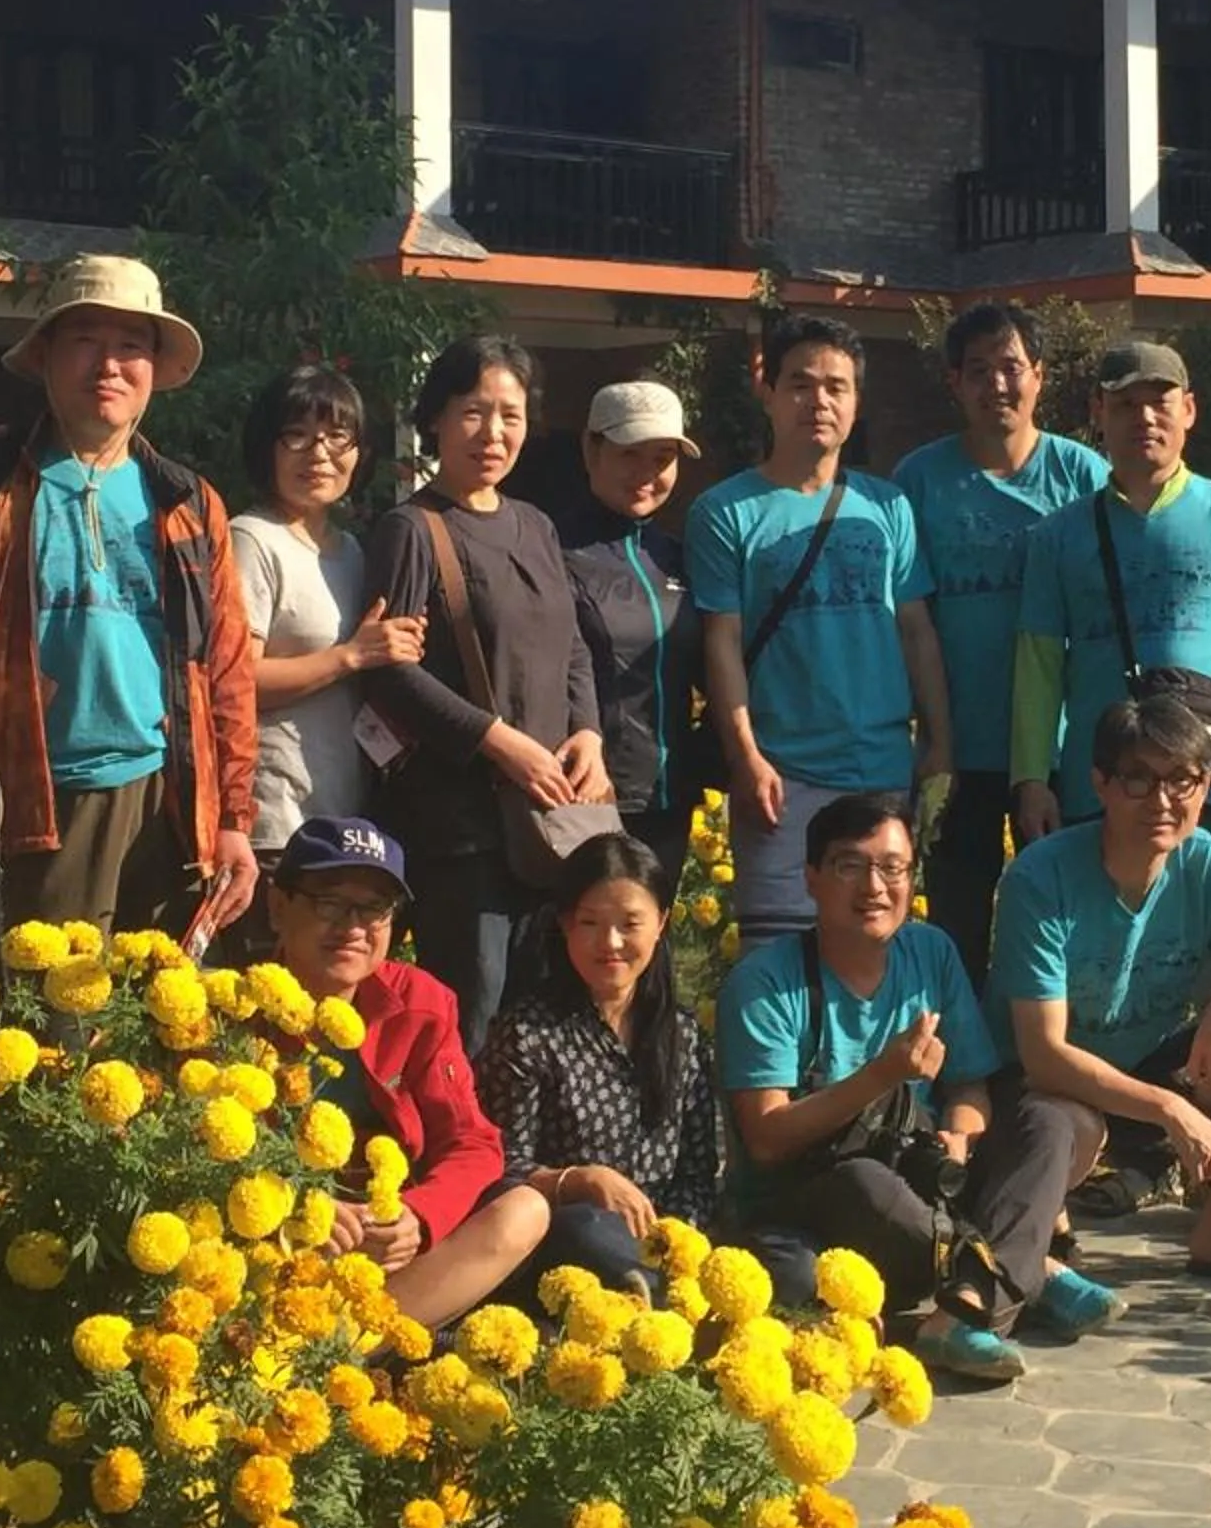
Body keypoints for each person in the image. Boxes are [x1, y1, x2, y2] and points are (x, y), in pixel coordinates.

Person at [0, 253, 256, 940]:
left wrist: (232, 821)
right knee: (51, 1026)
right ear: (45, 357)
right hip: (32, 798)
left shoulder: (190, 502)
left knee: (162, 1026)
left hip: (168, 797)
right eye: (86, 341)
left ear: (155, 369)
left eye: (131, 345)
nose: (109, 364)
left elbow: (227, 673)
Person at [715, 792, 1111, 1381]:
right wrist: (882, 1075)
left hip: (924, 1178)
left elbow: (970, 1087)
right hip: (816, 1188)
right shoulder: (766, 983)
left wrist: (959, 1135)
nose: (875, 886)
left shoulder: (930, 951)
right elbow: (767, 1141)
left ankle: (964, 1309)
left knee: (1046, 1121)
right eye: (851, 866)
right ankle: (1027, 1272)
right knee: (867, 1187)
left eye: (893, 868)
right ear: (812, 879)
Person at [985, 696, 1211, 1299]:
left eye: (1182, 780)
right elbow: (1043, 1055)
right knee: (1075, 1125)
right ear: (1100, 783)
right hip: (1046, 1087)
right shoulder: (1041, 878)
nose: (1163, 802)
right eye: (1139, 779)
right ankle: (1042, 1227)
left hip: (1146, 1064)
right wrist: (1172, 1112)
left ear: (1207, 786)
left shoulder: (1210, 864)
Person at [356, 337, 611, 1051]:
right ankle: (463, 1160)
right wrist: (498, 743)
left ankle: (526, 1161)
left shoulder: (536, 524)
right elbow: (389, 672)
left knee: (547, 1011)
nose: (493, 434)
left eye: (510, 415)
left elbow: (575, 645)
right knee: (474, 1014)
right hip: (461, 828)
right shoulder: (412, 530)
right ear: (435, 419)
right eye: (473, 413)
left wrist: (586, 732)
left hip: (551, 819)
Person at [690, 315, 952, 948]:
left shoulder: (888, 506)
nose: (819, 401)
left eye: (837, 387)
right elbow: (721, 641)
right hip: (783, 776)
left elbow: (915, 630)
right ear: (768, 389)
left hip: (881, 769)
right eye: (801, 384)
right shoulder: (724, 511)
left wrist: (940, 742)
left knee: (874, 957)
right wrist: (745, 756)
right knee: (775, 963)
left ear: (857, 402)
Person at [1012, 338, 1211, 854]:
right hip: (1099, 790)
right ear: (1098, 413)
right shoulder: (1058, 535)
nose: (1144, 417)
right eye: (1125, 404)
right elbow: (1038, 668)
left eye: (1160, 402)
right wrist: (1032, 780)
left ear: (1189, 410)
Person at [892, 303, 1107, 990]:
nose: (997, 386)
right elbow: (907, 617)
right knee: (957, 927)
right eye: (978, 371)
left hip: (1066, 752)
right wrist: (933, 743)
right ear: (955, 383)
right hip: (964, 748)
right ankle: (963, 1072)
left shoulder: (1084, 477)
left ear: (1040, 376)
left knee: (1070, 921)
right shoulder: (919, 481)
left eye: (1011, 367)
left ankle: (1060, 1065)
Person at [267, 815, 548, 1330]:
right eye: (330, 902)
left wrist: (419, 1217)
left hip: (384, 1257)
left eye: (373, 907)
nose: (353, 926)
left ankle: (347, 1349)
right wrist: (293, 1205)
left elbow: (472, 1143)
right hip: (276, 1246)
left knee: (525, 1210)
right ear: (278, 907)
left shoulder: (421, 1001)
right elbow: (193, 1157)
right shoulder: (234, 1012)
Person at [230, 365, 426, 942]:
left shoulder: (353, 551)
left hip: (345, 817)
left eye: (337, 437)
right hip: (274, 820)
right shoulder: (253, 538)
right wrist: (350, 657)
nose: (319, 453)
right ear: (267, 446)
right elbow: (236, 678)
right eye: (297, 434)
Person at [478, 831, 719, 1296]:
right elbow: (499, 1167)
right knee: (587, 1226)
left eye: (630, 924)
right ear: (566, 925)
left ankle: (662, 1292)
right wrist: (578, 1181)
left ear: (662, 923)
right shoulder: (528, 1031)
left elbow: (696, 1173)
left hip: (659, 1241)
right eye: (590, 922)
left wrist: (674, 1240)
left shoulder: (682, 1034)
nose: (609, 943)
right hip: (560, 1240)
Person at [555, 381, 706, 894]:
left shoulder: (677, 556)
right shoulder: (552, 550)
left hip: (671, 799)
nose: (646, 474)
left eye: (662, 457)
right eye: (629, 455)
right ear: (590, 449)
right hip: (586, 796)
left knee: (653, 950)